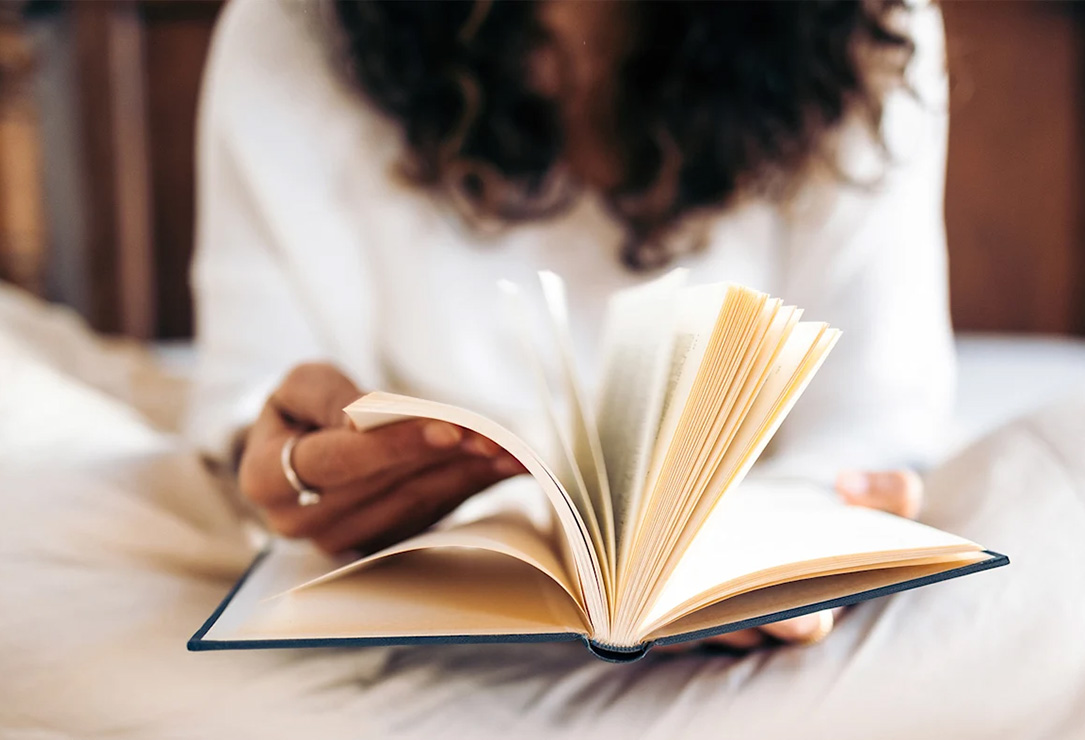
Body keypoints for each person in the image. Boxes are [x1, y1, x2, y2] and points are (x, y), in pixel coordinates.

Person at [190, 0, 950, 649]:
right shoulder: (294, 26)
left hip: (743, 571)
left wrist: (783, 546)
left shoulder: (862, 30)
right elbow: (254, 390)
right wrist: (280, 457)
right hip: (417, 571)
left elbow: (873, 413)